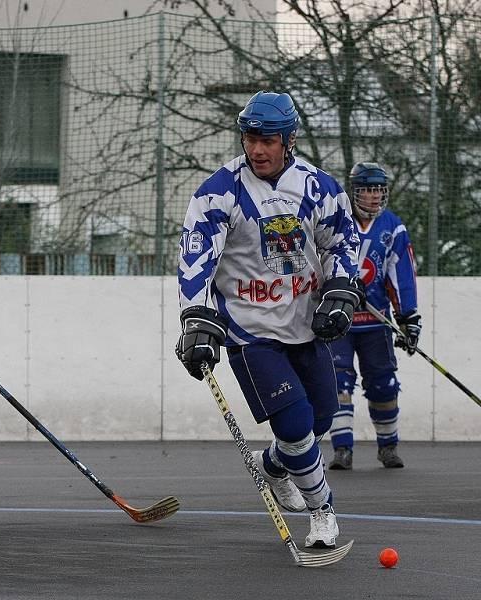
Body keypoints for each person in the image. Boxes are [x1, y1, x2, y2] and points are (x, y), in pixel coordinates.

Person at [175, 91, 362, 549]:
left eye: (268, 140)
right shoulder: (219, 191)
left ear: (289, 140)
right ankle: (323, 515)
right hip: (249, 331)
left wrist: (340, 290)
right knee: (296, 424)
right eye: (250, 137)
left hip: (303, 324)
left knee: (319, 420)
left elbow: (342, 241)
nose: (257, 148)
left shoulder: (318, 186)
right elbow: (197, 258)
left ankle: (273, 465)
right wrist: (196, 318)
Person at [327, 163, 420, 470]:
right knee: (338, 382)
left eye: (378, 189)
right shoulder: (337, 222)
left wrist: (408, 318)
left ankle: (388, 446)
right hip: (338, 320)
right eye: (366, 189)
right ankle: (342, 449)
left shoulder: (393, 228)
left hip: (375, 321)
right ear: (354, 192)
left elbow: (400, 276)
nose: (373, 196)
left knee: (383, 384)